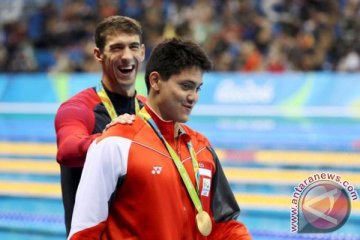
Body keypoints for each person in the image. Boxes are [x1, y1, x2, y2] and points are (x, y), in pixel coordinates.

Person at [68, 38, 251, 240]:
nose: (194, 97)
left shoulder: (201, 147)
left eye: (197, 88)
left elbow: (224, 224)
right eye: (186, 86)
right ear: (155, 81)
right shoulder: (116, 143)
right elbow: (84, 233)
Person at [54, 15, 146, 236]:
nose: (127, 56)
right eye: (116, 48)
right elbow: (67, 151)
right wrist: (110, 138)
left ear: (142, 52)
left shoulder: (149, 110)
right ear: (98, 54)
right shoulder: (78, 108)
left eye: (133, 47)